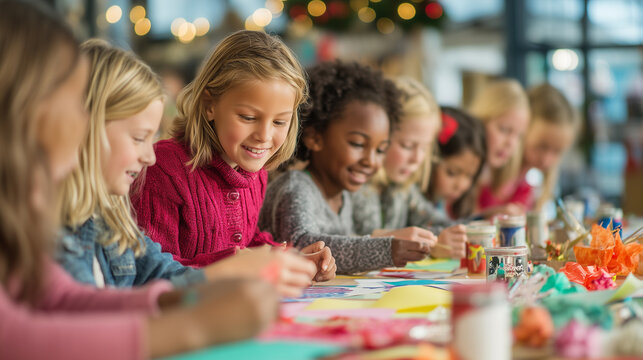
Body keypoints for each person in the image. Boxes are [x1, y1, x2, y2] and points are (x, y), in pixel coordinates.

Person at [0, 2, 278, 358]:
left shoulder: (29, 216)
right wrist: (195, 323)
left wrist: (193, 294)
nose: (84, 124)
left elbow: (65, 300)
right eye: (73, 104)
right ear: (23, 112)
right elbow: (21, 338)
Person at [56, 39, 314, 296]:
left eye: (280, 122)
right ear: (83, 130)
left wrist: (280, 258)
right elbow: (94, 312)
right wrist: (233, 268)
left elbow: (163, 273)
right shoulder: (52, 234)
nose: (150, 157)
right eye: (138, 138)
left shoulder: (109, 219)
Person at [132, 30, 335, 281]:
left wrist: (293, 261)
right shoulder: (162, 170)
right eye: (248, 118)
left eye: (280, 122)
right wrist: (237, 263)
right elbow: (149, 272)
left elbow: (248, 241)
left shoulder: (254, 172)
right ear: (210, 105)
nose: (264, 135)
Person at [260, 61, 435, 274]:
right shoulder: (295, 187)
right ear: (315, 137)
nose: (371, 161)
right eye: (358, 144)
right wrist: (387, 249)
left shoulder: (343, 197)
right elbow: (304, 245)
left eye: (380, 150)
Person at [351, 77, 465, 259]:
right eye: (407, 145)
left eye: (425, 148)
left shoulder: (404, 190)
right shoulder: (351, 184)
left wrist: (445, 238)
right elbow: (337, 239)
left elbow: (435, 221)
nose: (417, 158)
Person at [468, 79, 530, 218]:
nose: (511, 143)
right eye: (505, 130)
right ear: (480, 121)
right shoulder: (460, 172)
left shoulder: (497, 174)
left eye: (519, 136)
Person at [521, 83, 579, 211]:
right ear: (522, 128)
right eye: (541, 146)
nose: (546, 160)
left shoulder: (536, 186)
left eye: (557, 151)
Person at [426, 107, 487, 220]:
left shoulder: (441, 203)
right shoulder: (414, 203)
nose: (461, 185)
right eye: (452, 173)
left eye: (470, 176)